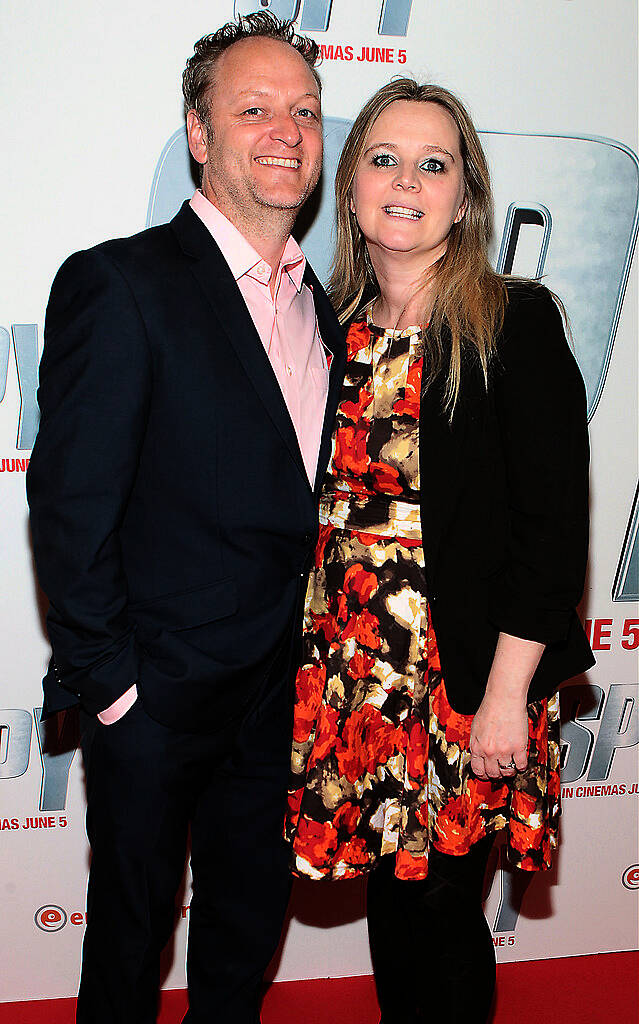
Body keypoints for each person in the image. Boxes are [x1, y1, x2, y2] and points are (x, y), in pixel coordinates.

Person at [27, 13, 345, 1024]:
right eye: (253, 108)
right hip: (157, 701)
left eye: (304, 110)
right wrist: (117, 690)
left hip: (279, 697)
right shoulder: (120, 283)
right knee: (128, 948)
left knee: (244, 932)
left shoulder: (318, 304)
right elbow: (70, 507)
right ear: (200, 136)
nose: (286, 130)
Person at [285, 78, 594, 1024]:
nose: (407, 181)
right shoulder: (323, 330)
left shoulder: (513, 322)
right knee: (390, 893)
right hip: (354, 679)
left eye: (434, 163)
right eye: (383, 158)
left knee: (445, 906)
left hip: (464, 678)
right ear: (348, 188)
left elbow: (553, 535)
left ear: (465, 196)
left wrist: (502, 698)